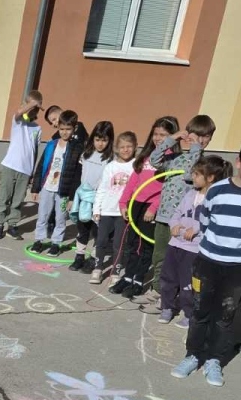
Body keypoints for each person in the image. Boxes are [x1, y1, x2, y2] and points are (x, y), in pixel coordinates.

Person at [172, 143, 241, 387]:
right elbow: (205, 223)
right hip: (207, 262)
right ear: (238, 161)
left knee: (225, 316)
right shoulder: (216, 191)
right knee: (200, 310)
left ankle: (214, 359)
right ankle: (193, 355)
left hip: (237, 268)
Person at [146, 115, 216, 301]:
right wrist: (173, 138)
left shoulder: (206, 163)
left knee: (181, 260)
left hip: (185, 221)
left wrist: (195, 148)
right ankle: (158, 290)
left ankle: (175, 294)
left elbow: (189, 174)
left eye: (205, 137)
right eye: (196, 135)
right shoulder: (176, 158)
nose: (200, 140)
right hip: (165, 216)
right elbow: (154, 160)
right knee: (160, 256)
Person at [111, 117, 178, 297]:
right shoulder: (147, 156)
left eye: (163, 135)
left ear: (173, 137)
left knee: (145, 246)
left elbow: (168, 187)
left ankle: (138, 280)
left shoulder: (172, 159)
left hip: (151, 208)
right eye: (155, 134)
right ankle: (127, 277)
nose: (158, 138)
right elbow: (134, 181)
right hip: (136, 204)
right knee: (131, 244)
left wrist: (154, 207)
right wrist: (123, 203)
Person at [160, 156, 229, 325]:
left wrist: (197, 228)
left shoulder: (215, 198)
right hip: (175, 244)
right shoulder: (190, 193)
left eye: (197, 174)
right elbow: (177, 212)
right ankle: (167, 307)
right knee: (168, 277)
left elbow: (214, 219)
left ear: (210, 178)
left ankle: (189, 313)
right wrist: (174, 224)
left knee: (188, 283)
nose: (193, 177)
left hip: (193, 249)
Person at [30, 109, 83, 255]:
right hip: (47, 186)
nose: (65, 132)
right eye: (62, 129)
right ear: (58, 128)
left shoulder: (77, 148)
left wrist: (72, 197)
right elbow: (41, 166)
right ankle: (39, 240)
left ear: (74, 129)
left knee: (60, 218)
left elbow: (77, 175)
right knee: (43, 215)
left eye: (68, 129)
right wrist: (35, 188)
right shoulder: (51, 145)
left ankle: (56, 243)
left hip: (63, 191)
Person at [89, 131, 137, 284]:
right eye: (122, 147)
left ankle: (115, 270)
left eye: (129, 146)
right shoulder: (110, 166)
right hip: (107, 210)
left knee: (119, 243)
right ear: (116, 148)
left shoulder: (136, 166)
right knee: (101, 240)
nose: (126, 150)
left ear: (135, 147)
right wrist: (97, 209)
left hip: (123, 213)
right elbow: (102, 188)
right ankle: (97, 268)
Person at [0, 91, 42, 240]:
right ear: (25, 105)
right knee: (5, 197)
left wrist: (32, 170)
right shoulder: (18, 122)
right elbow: (18, 113)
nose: (31, 110)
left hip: (25, 169)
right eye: (29, 106)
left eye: (35, 108)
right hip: (10, 166)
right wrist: (31, 104)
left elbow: (34, 150)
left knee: (18, 200)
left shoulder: (37, 128)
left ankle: (12, 225)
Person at [68, 121, 114, 271]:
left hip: (99, 200)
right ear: (93, 138)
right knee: (82, 229)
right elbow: (78, 176)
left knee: (97, 232)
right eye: (97, 139)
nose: (100, 144)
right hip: (83, 199)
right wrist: (72, 197)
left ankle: (94, 259)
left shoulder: (110, 159)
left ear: (110, 140)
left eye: (104, 140)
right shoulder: (85, 155)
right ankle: (79, 256)